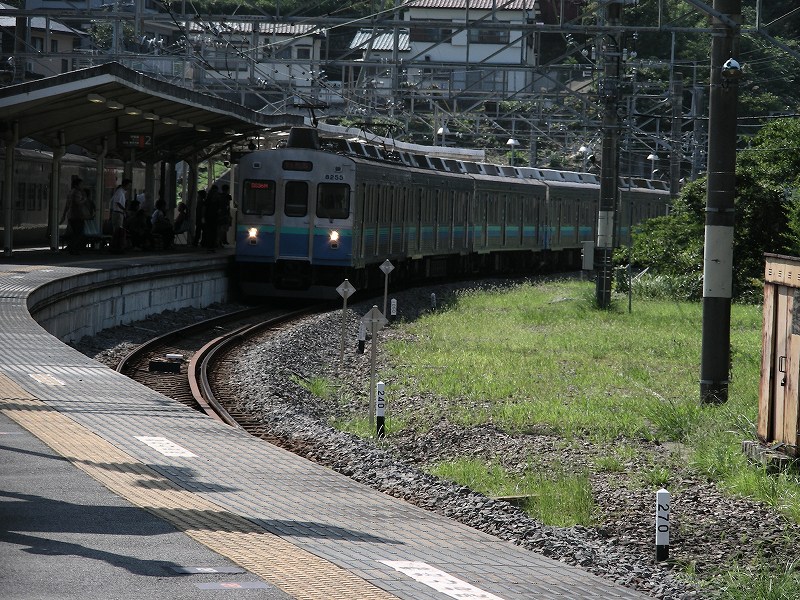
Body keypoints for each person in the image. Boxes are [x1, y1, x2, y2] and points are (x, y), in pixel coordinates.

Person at [60, 175, 90, 255]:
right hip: (77, 216)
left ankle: (72, 248)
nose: (82, 186)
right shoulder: (77, 192)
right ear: (77, 185)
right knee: (78, 233)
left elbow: (67, 205)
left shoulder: (70, 192)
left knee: (75, 233)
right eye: (81, 184)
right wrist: (84, 199)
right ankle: (74, 249)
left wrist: (64, 215)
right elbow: (78, 203)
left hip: (71, 215)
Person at [109, 178, 131, 253]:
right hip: (118, 213)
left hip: (120, 213)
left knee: (118, 231)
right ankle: (115, 247)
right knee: (117, 231)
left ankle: (117, 247)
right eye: (128, 185)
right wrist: (124, 209)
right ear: (126, 184)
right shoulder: (119, 192)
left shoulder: (121, 192)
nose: (129, 187)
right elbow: (118, 202)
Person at [202, 185, 220, 251]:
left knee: (209, 232)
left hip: (209, 217)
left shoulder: (208, 199)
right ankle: (212, 246)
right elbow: (219, 209)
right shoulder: (217, 200)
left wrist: (203, 217)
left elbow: (204, 208)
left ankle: (209, 246)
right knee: (213, 232)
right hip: (214, 217)